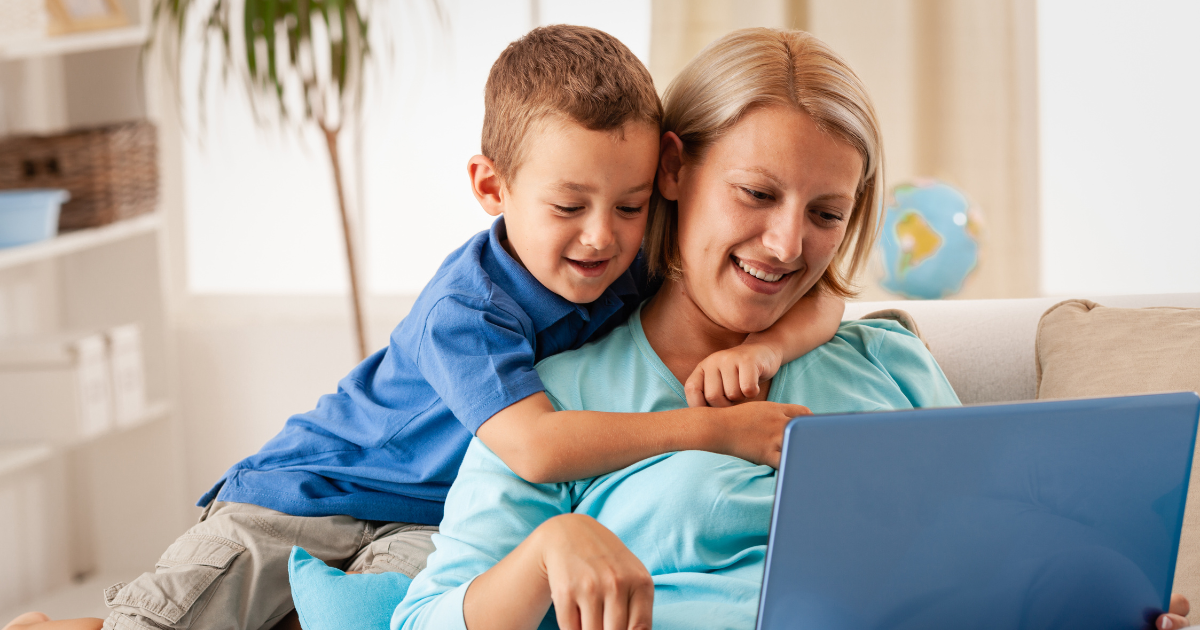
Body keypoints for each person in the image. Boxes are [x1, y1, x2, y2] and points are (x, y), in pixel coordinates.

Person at [4, 25, 842, 630]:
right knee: (167, 619)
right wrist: (712, 429)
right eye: (568, 206)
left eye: (628, 206)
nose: (601, 236)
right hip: (311, 492)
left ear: (659, 178)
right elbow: (535, 448)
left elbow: (831, 298)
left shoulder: (635, 260)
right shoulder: (465, 309)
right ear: (491, 188)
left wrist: (768, 345)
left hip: (431, 520)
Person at [381, 28, 1193, 630]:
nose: (785, 245)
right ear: (673, 171)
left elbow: (999, 559)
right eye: (757, 194)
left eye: (826, 214)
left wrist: (1098, 599)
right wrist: (545, 552)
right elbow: (422, 622)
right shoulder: (561, 401)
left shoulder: (890, 361)